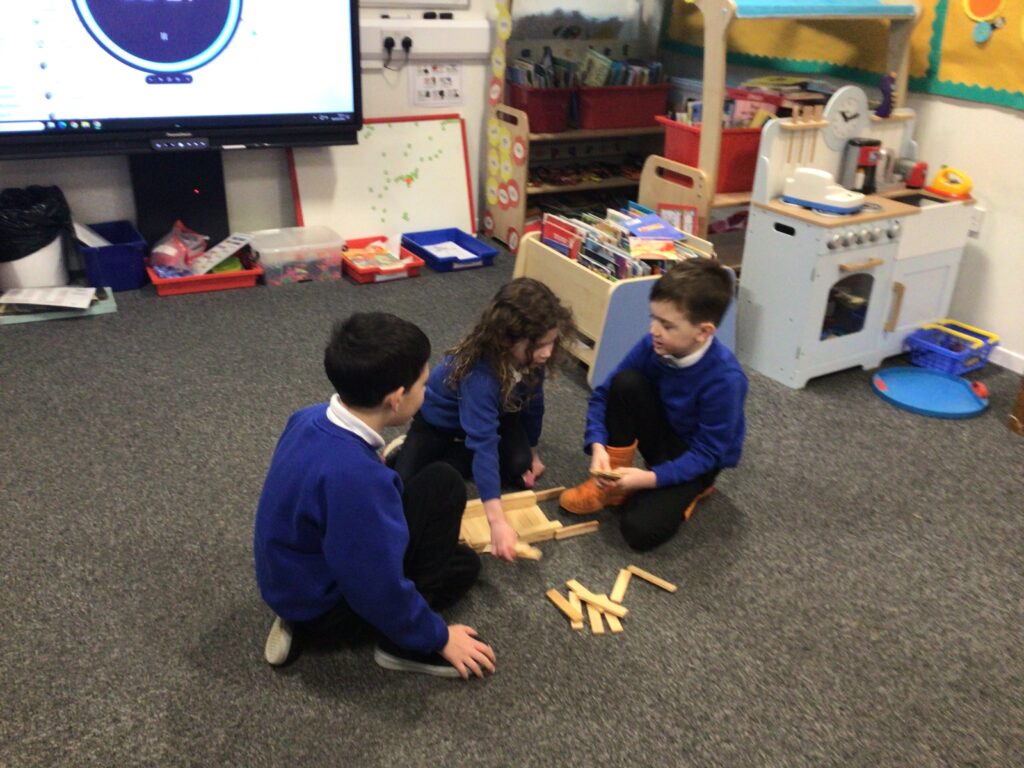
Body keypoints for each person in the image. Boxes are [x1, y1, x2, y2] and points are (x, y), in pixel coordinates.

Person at [253, 312, 496, 680]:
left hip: (291, 574)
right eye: (423, 385)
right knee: (461, 563)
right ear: (396, 399)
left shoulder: (307, 417)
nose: (427, 392)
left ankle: (296, 615)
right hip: (324, 604)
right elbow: (374, 584)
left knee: (437, 491)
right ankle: (398, 646)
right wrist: (437, 636)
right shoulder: (358, 480)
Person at [559, 259, 747, 551]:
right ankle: (613, 487)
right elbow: (605, 393)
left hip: (697, 459)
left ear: (703, 332)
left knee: (638, 531)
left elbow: (709, 452)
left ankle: (696, 490)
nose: (654, 330)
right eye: (654, 318)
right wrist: (598, 446)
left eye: (667, 325)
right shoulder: (654, 344)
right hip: (663, 433)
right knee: (626, 382)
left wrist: (649, 479)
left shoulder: (726, 379)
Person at [390, 278, 575, 562]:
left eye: (552, 342)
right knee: (403, 485)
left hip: (497, 412)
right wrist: (497, 521)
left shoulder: (531, 361)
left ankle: (450, 458)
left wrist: (534, 453)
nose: (548, 352)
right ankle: (405, 451)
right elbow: (485, 444)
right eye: (540, 345)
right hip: (439, 421)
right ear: (506, 339)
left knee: (517, 464)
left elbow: (533, 406)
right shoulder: (480, 376)